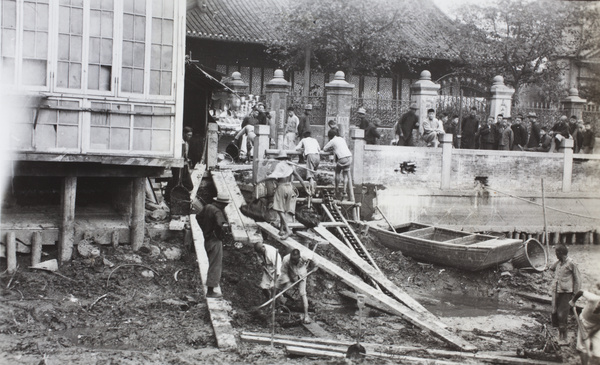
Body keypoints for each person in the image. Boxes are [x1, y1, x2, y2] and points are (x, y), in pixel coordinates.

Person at [191, 193, 232, 298]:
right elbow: (221, 224)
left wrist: (205, 229)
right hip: (215, 241)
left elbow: (197, 217)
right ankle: (210, 291)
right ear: (222, 204)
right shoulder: (218, 211)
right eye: (225, 204)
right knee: (216, 265)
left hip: (207, 239)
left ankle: (210, 283)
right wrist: (226, 228)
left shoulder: (208, 207)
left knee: (212, 262)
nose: (225, 206)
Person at [266, 150, 311, 239]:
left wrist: (268, 176)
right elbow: (298, 177)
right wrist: (305, 187)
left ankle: (287, 229)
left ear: (279, 158)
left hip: (282, 187)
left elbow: (274, 177)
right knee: (285, 209)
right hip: (290, 188)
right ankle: (281, 230)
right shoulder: (291, 166)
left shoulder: (279, 165)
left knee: (278, 208)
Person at [549, 245, 581, 344]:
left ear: (561, 253)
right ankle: (560, 336)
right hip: (556, 291)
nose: (555, 255)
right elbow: (551, 268)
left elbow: (578, 280)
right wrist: (559, 261)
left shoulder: (571, 263)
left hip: (566, 293)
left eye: (556, 253)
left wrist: (574, 295)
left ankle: (565, 338)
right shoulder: (559, 263)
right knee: (555, 313)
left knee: (562, 315)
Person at [278, 249, 312, 324]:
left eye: (295, 260)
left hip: (302, 274)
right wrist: (287, 283)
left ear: (299, 258)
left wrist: (315, 266)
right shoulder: (286, 259)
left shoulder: (305, 256)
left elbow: (314, 259)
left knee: (302, 293)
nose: (293, 262)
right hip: (290, 274)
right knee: (277, 287)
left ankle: (306, 315)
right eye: (292, 260)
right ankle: (277, 308)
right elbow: (284, 272)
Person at [569, 287, 600, 365]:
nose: (597, 307)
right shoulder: (594, 299)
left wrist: (590, 334)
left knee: (597, 352)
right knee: (583, 347)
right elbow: (581, 291)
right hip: (584, 322)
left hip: (597, 325)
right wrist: (573, 301)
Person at [165, 127, 194, 203]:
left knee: (188, 185)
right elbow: (180, 156)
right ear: (184, 134)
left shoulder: (186, 143)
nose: (189, 137)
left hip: (184, 165)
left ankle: (178, 197)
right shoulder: (180, 143)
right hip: (178, 166)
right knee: (176, 182)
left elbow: (185, 156)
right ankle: (170, 198)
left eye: (191, 135)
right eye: (188, 135)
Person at [323, 128, 353, 200]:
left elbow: (324, 149)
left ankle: (336, 188)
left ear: (330, 136)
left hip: (342, 158)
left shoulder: (332, 141)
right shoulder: (341, 139)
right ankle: (344, 190)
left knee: (337, 172)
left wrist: (332, 149)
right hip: (349, 157)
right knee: (345, 174)